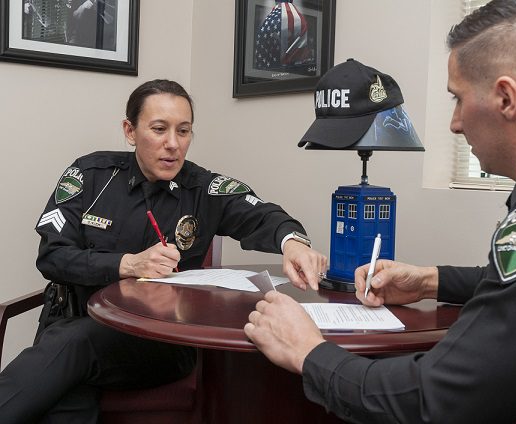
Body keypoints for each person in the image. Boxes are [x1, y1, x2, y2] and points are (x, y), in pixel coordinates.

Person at [244, 0, 516, 422]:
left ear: (506, 97)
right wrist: (428, 281)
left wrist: (309, 352)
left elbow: (438, 399)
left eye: (458, 99)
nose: (454, 123)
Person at [0, 79, 326, 423]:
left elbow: (263, 214)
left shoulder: (202, 189)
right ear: (130, 130)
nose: (173, 144)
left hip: (154, 339)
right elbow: (52, 256)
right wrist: (127, 264)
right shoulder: (90, 175)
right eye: (159, 129)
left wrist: (294, 243)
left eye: (184, 131)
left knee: (74, 345)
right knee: (65, 398)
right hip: (70, 319)